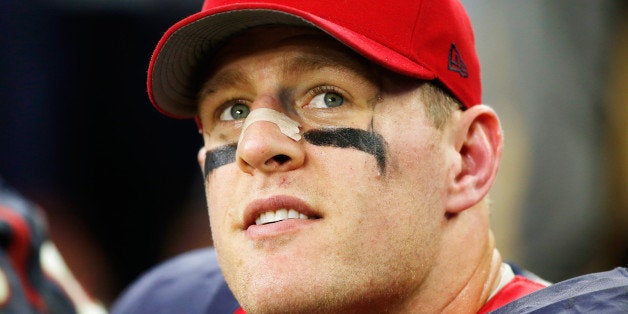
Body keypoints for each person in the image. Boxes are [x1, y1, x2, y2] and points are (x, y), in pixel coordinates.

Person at [113, 0, 628, 313]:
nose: (256, 145)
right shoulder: (172, 302)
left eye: (328, 97)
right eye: (233, 109)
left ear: (467, 159)